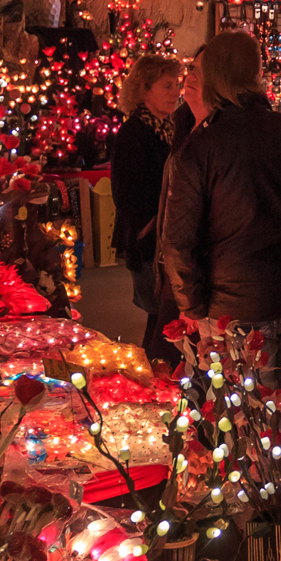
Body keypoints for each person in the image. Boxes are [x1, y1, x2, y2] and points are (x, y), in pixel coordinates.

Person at [157, 30, 281, 502]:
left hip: (232, 311)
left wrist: (192, 308)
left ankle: (262, 526)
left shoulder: (204, 146)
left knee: (249, 426)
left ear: (213, 78)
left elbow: (177, 242)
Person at [110, 55, 184, 364]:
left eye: (177, 85)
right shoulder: (133, 133)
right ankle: (152, 374)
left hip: (166, 237)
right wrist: (150, 224)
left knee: (164, 316)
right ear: (144, 90)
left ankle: (155, 374)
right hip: (147, 240)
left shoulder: (171, 127)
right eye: (167, 86)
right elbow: (125, 195)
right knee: (159, 316)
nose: (175, 92)